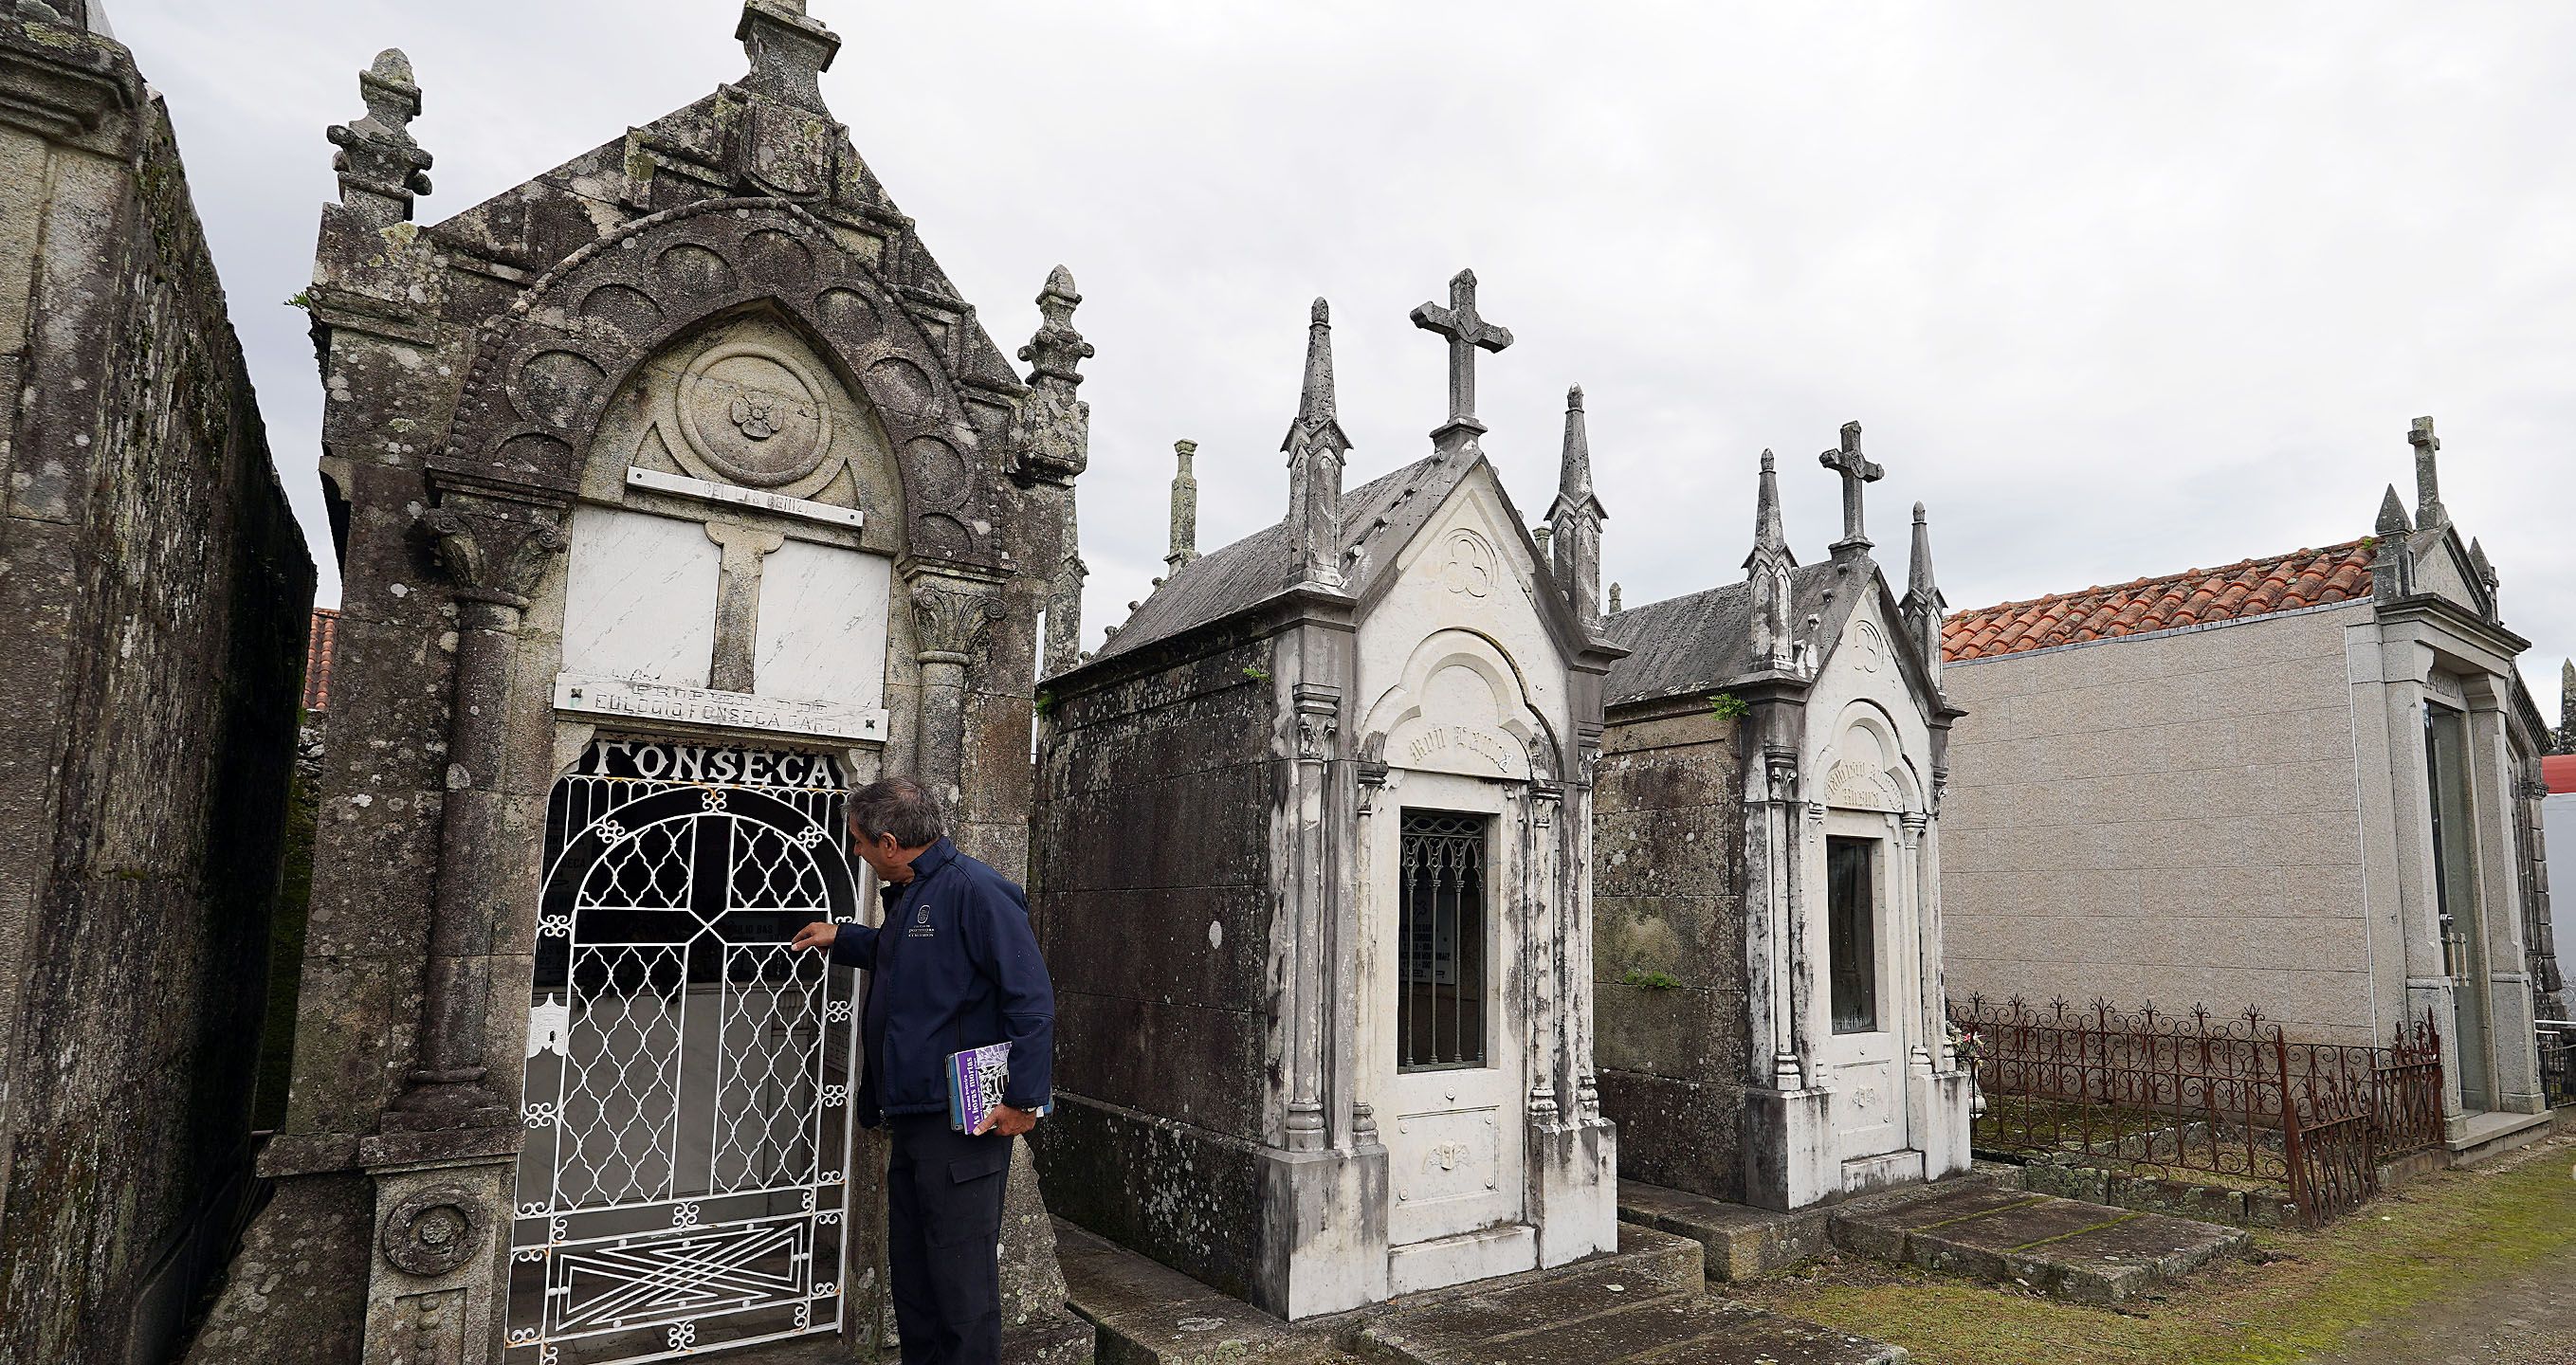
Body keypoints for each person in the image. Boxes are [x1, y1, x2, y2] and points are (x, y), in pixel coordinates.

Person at [789, 775, 1053, 1365]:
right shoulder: (914, 891)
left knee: (961, 1285)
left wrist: (1024, 1101)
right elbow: (909, 953)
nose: (855, 852)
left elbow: (1031, 1002)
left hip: (965, 1124)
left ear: (888, 843)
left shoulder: (978, 892)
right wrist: (845, 938)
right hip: (911, 1115)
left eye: (859, 842)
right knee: (914, 1277)